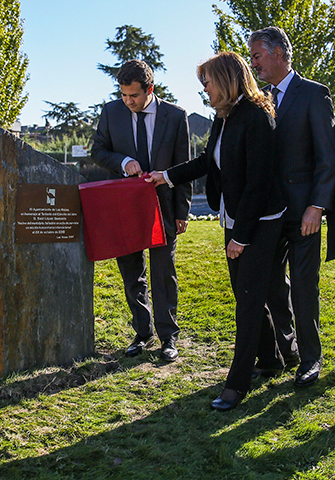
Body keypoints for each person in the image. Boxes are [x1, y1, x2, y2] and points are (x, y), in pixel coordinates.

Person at [148, 51, 286, 411]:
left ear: (225, 80)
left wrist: (241, 236)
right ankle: (271, 360)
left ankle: (236, 385)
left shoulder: (257, 116)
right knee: (248, 297)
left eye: (206, 82)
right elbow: (208, 163)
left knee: (249, 302)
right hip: (234, 219)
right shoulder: (225, 116)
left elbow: (258, 183)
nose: (204, 90)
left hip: (258, 223)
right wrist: (166, 176)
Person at [248, 26, 335, 388]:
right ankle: (289, 350)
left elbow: (328, 159)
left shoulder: (315, 94)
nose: (253, 63)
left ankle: (311, 360)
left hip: (304, 214)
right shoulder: (258, 100)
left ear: (280, 53)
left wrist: (317, 205)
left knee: (303, 285)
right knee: (270, 284)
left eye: (257, 56)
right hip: (269, 215)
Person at [91, 59, 192, 362]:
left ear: (150, 89)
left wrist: (182, 211)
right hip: (125, 208)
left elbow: (184, 166)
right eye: (123, 95)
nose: (127, 101)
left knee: (164, 275)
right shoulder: (111, 112)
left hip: (164, 207)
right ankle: (142, 332)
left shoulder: (176, 116)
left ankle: (168, 338)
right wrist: (122, 162)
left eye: (133, 96)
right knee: (131, 273)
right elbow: (98, 150)